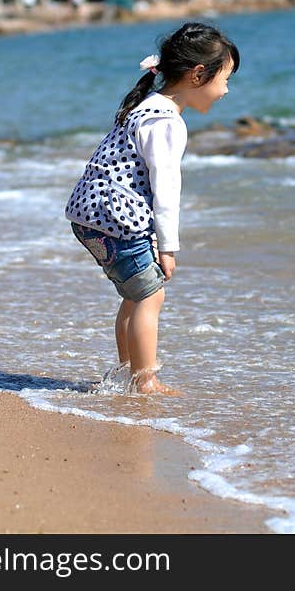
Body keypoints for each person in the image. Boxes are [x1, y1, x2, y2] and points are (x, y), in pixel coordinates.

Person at [65, 22, 239, 395]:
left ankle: (129, 374)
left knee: (135, 293)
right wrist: (168, 246)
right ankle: (145, 381)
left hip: (89, 215)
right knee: (150, 294)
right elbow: (166, 187)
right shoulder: (166, 121)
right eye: (225, 79)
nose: (226, 90)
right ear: (198, 75)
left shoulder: (147, 107)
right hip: (116, 218)